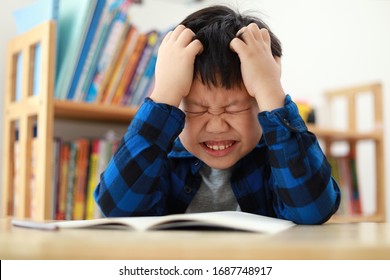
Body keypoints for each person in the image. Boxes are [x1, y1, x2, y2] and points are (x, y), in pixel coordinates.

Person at [94, 5, 340, 224]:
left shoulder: (279, 156)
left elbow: (313, 211)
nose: (216, 125)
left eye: (234, 107)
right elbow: (116, 209)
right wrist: (164, 92)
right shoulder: (160, 158)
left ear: (260, 104)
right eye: (196, 108)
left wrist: (271, 91)